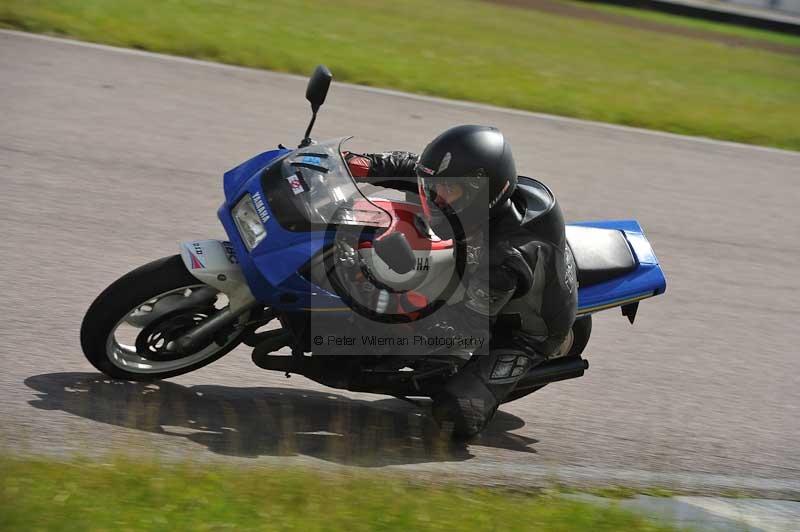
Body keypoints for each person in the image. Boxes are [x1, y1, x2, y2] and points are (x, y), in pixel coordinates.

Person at [344, 125, 577, 437]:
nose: (436, 198)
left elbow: (460, 329)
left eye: (448, 192)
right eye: (435, 188)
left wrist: (377, 294)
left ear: (485, 192)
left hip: (521, 333)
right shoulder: (482, 197)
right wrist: (359, 165)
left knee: (453, 415)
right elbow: (421, 170)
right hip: (497, 268)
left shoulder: (504, 259)